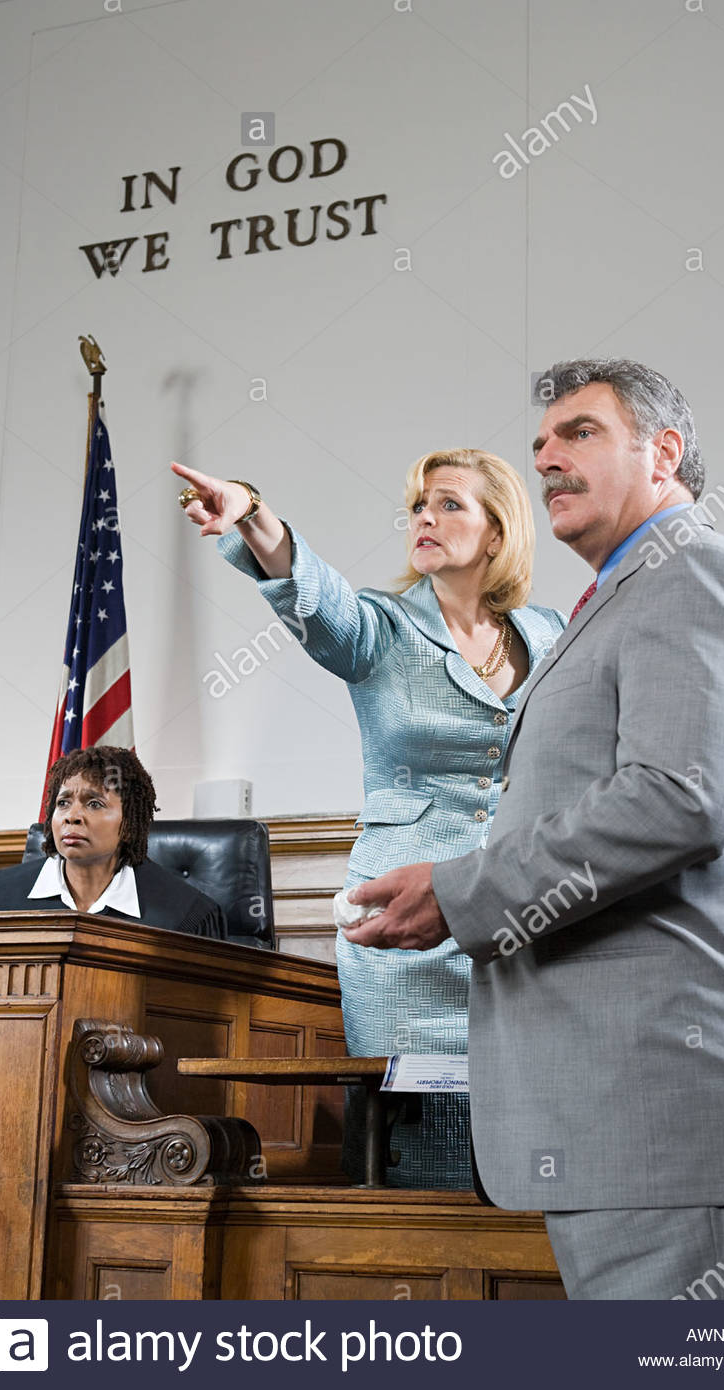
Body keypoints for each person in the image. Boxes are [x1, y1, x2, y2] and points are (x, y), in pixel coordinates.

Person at [343, 358, 724, 1296]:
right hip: (617, 1121)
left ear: (664, 452)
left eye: (581, 434)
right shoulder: (618, 598)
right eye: (541, 444)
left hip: (669, 1119)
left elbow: (679, 797)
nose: (549, 456)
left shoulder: (694, 574)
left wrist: (460, 889)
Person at [172, 449, 565, 1187]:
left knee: (522, 1145)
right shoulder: (381, 629)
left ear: (497, 533)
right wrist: (253, 514)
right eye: (419, 504)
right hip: (403, 934)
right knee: (416, 1149)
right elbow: (315, 600)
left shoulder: (546, 635)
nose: (425, 516)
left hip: (515, 918)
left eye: (450, 504)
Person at [0, 746, 227, 939]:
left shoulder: (186, 916)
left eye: (94, 803)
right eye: (63, 803)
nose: (72, 817)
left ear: (129, 822)